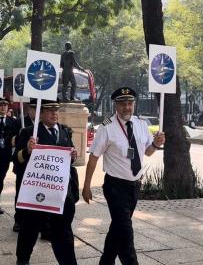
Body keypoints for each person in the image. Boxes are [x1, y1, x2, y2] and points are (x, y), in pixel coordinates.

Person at [82, 86, 165, 265]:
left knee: (118, 228)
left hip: (134, 186)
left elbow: (148, 152)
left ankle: (106, 261)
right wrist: (86, 186)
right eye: (122, 104)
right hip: (115, 187)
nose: (127, 107)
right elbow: (94, 158)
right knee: (126, 233)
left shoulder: (142, 125)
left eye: (130, 103)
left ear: (134, 104)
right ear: (115, 106)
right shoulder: (106, 128)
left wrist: (156, 145)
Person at [14, 99, 79, 265]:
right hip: (37, 195)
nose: (54, 113)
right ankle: (22, 259)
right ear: (40, 113)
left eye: (56, 110)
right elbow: (17, 159)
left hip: (60, 194)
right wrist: (27, 150)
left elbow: (68, 159)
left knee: (63, 233)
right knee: (29, 229)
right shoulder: (28, 133)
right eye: (49, 110)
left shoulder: (64, 131)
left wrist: (73, 156)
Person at [13, 99, 37, 232]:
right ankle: (18, 220)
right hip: (23, 166)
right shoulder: (20, 123)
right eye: (33, 109)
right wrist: (20, 136)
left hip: (37, 168)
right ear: (29, 110)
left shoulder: (42, 126)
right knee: (21, 194)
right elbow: (13, 142)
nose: (35, 111)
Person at [0, 97, 17, 214]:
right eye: (1, 105)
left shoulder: (13, 122)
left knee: (0, 179)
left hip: (5, 156)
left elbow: (16, 136)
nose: (3, 107)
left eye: (5, 106)